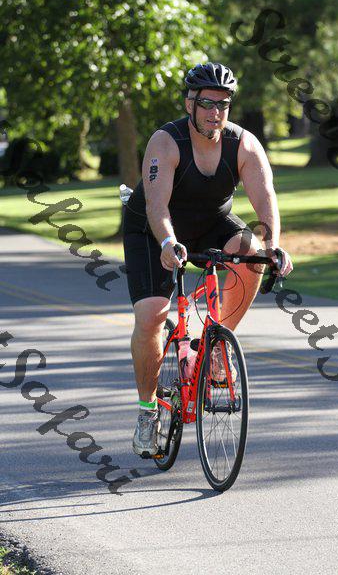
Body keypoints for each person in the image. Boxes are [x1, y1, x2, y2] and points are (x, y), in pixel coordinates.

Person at [123, 61, 293, 457]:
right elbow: (156, 207)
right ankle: (148, 411)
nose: (215, 113)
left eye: (223, 104)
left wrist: (273, 245)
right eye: (207, 104)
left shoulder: (244, 145)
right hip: (153, 230)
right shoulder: (166, 142)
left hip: (211, 223)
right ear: (190, 104)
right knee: (151, 315)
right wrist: (168, 242)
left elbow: (265, 200)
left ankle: (218, 345)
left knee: (252, 251)